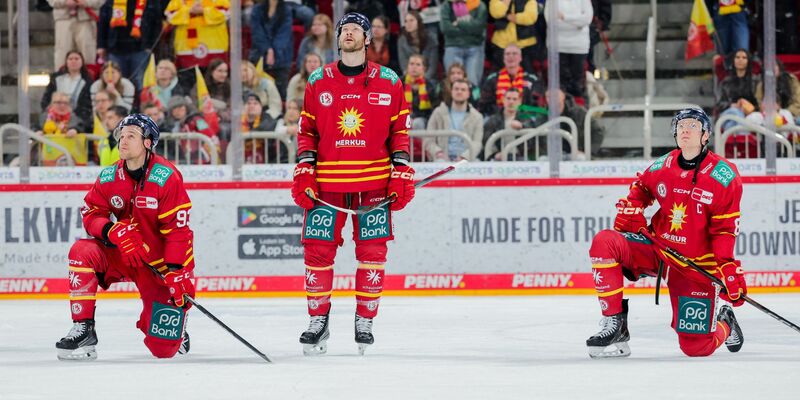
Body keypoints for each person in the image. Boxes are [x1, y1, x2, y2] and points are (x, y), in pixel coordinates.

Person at [291, 12, 414, 356]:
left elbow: (400, 131)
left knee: (373, 253)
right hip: (327, 185)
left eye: (355, 30)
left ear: (367, 39)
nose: (348, 34)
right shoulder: (318, 79)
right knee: (317, 253)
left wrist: (400, 169)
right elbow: (307, 131)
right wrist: (304, 167)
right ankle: (318, 320)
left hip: (373, 185)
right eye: (343, 30)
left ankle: (365, 320)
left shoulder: (389, 81)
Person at [585, 107, 746, 358]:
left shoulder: (723, 176)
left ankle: (726, 321)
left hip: (694, 267)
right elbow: (641, 187)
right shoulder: (665, 164)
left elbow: (724, 229)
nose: (685, 129)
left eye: (693, 125)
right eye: (681, 125)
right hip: (658, 250)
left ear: (706, 135)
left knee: (696, 347)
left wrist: (726, 267)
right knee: (605, 242)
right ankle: (615, 324)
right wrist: (634, 205)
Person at [55, 114, 195, 361]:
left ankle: (175, 326)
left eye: (132, 135)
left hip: (158, 266)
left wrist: (176, 271)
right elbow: (91, 213)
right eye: (122, 134)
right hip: (123, 254)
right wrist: (111, 230)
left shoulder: (167, 177)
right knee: (81, 251)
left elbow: (178, 231)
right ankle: (84, 329)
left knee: (164, 349)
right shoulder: (109, 176)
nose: (123, 140)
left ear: (148, 143)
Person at [426, 79, 484, 161]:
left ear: (468, 94)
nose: (459, 92)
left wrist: (464, 157)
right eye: (456, 89)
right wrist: (438, 153)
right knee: (440, 163)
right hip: (442, 158)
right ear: (451, 92)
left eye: (463, 90)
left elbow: (477, 143)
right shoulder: (438, 112)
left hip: (467, 159)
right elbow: (428, 139)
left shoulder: (477, 117)